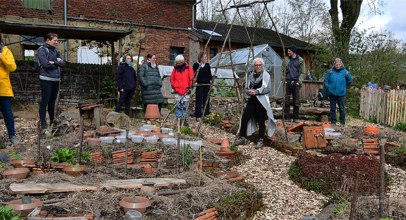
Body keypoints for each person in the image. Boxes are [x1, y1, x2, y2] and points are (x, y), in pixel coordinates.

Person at [234, 58, 276, 149]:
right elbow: (245, 88)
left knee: (261, 121)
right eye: (256, 65)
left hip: (261, 102)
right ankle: (242, 137)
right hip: (251, 101)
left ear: (262, 65)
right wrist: (249, 92)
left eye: (259, 65)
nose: (258, 67)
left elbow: (268, 89)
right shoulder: (250, 75)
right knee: (244, 119)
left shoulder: (266, 75)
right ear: (254, 66)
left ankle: (261, 139)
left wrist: (256, 92)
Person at [38, 33, 66, 130]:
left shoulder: (55, 52)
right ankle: (42, 122)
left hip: (55, 80)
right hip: (46, 79)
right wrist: (57, 63)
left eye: (57, 40)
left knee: (52, 102)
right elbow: (45, 64)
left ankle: (52, 121)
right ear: (48, 40)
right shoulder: (42, 50)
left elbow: (63, 63)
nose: (56, 42)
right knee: (45, 101)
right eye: (55, 40)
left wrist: (54, 62)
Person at [0, 29, 20, 144]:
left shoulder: (6, 51)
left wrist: (2, 56)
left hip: (3, 88)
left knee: (7, 112)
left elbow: (12, 67)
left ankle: (12, 136)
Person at [324, 58, 353, 126]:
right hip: (332, 93)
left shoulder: (345, 71)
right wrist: (328, 87)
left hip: (341, 93)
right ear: (334, 64)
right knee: (332, 108)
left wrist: (344, 85)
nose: (338, 65)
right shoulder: (330, 71)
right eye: (336, 64)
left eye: (339, 64)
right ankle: (333, 122)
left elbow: (350, 80)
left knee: (342, 108)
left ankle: (342, 122)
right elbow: (326, 80)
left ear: (341, 65)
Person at [281, 45, 305, 123]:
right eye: (288, 51)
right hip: (287, 83)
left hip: (295, 83)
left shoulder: (300, 60)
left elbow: (302, 72)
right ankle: (287, 117)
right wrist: (283, 79)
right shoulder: (286, 60)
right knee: (286, 101)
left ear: (293, 51)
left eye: (289, 51)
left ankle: (295, 118)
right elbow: (282, 70)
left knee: (296, 102)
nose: (288, 52)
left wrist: (299, 82)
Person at [170, 55, 194, 127]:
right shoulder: (175, 69)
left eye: (179, 63)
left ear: (182, 62)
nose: (177, 64)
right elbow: (172, 78)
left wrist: (189, 86)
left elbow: (192, 78)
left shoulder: (189, 68)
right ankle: (178, 119)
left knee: (185, 106)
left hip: (186, 90)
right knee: (178, 106)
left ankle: (184, 119)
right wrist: (174, 86)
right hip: (178, 90)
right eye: (177, 63)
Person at [193, 52, 212, 121]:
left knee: (206, 99)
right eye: (204, 57)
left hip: (207, 84)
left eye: (206, 57)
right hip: (200, 84)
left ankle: (205, 114)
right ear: (200, 58)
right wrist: (195, 81)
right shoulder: (196, 65)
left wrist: (212, 79)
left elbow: (209, 74)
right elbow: (194, 74)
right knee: (199, 99)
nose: (206, 58)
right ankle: (198, 115)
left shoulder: (207, 65)